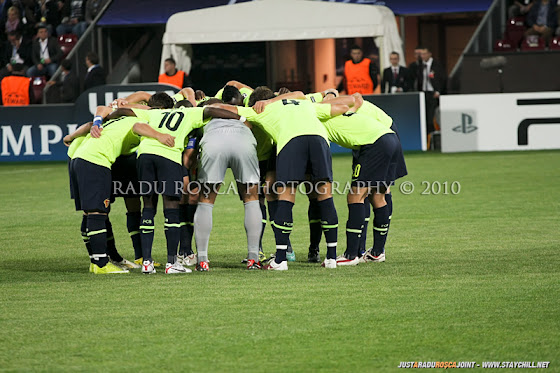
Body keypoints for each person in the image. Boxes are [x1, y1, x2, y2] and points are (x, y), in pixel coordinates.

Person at [218, 88, 349, 270]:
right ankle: (332, 258)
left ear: (256, 103)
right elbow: (341, 106)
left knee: (286, 198)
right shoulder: (305, 104)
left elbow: (229, 109)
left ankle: (281, 259)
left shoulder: (261, 110)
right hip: (320, 141)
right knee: (325, 197)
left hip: (291, 142)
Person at [122, 100, 245, 274]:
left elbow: (130, 118)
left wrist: (108, 115)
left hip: (145, 155)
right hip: (169, 156)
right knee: (171, 208)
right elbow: (211, 110)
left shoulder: (155, 113)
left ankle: (147, 262)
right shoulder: (189, 113)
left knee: (148, 207)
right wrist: (239, 117)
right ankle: (172, 262)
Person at [65, 97, 176, 274]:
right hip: (96, 160)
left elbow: (90, 124)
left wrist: (70, 136)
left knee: (90, 212)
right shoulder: (143, 119)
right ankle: (101, 263)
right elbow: (138, 126)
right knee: (97, 212)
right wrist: (160, 136)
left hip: (80, 157)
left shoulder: (118, 118)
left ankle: (98, 261)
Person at [193, 99, 263, 270]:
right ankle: (253, 258)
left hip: (214, 142)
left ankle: (202, 260)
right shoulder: (240, 113)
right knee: (251, 198)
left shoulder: (203, 113)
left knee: (206, 200)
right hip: (243, 141)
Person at [417, 47, 446, 140]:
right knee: (423, 115)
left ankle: (432, 136)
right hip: (423, 93)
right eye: (421, 54)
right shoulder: (419, 66)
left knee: (432, 115)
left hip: (433, 93)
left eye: (424, 54)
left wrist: (438, 91)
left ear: (430, 54)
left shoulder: (437, 65)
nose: (423, 56)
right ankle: (426, 138)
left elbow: (443, 79)